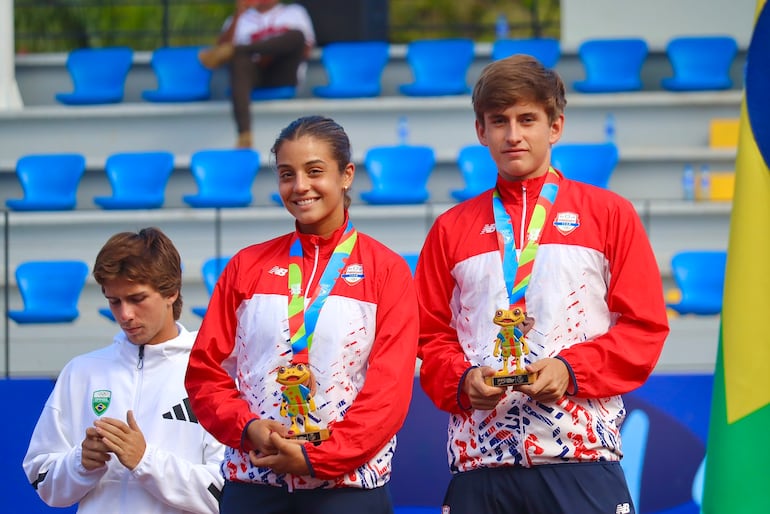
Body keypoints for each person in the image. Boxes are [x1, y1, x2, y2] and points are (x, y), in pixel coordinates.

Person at [414, 54, 670, 514]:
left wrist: (572, 372)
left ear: (555, 127)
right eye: (499, 121)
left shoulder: (609, 214)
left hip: (581, 458)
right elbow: (428, 336)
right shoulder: (450, 229)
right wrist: (461, 380)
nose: (513, 135)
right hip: (480, 464)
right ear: (481, 132)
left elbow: (644, 328)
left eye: (527, 119)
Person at [184, 115, 419, 514]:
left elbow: (389, 393)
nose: (300, 187)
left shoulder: (387, 271)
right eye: (286, 174)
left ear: (346, 176)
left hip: (348, 491)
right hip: (255, 487)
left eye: (315, 171)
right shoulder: (246, 266)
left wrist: (317, 459)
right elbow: (206, 372)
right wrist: (248, 428)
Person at [23, 227, 225, 514]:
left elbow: (226, 493)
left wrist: (144, 460)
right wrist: (81, 462)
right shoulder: (81, 371)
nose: (125, 314)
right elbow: (42, 480)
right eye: (113, 301)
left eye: (137, 298)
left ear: (171, 292)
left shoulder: (215, 370)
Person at [198, 0, 316, 148]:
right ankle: (244, 134)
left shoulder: (294, 12)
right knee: (239, 60)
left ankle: (239, 48)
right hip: (253, 75)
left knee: (297, 35)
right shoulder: (240, 18)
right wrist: (238, 13)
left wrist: (268, 52)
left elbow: (305, 49)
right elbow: (219, 53)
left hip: (283, 72)